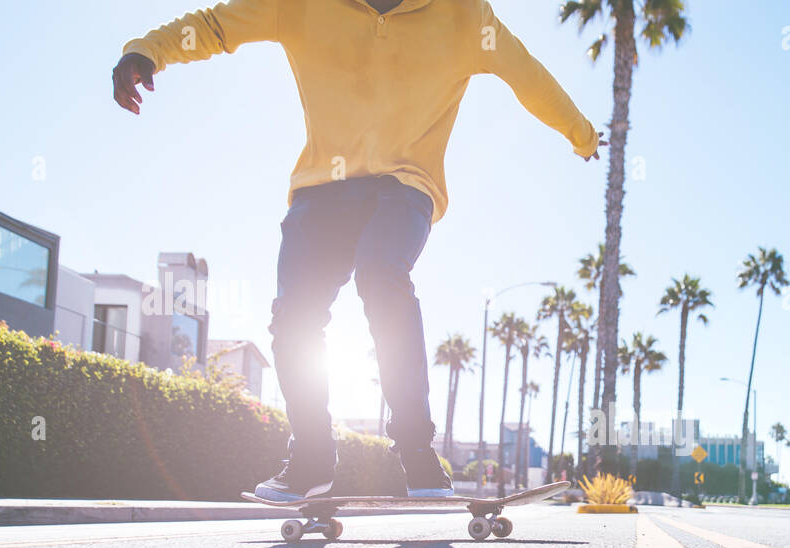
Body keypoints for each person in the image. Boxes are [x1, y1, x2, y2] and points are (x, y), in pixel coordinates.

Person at [112, 0, 602, 501]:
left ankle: (416, 452)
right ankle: (311, 458)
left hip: (405, 185)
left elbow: (527, 74)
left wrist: (581, 134)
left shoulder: (464, 15)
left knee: (381, 275)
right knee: (295, 316)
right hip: (323, 189)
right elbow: (215, 27)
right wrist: (148, 52)